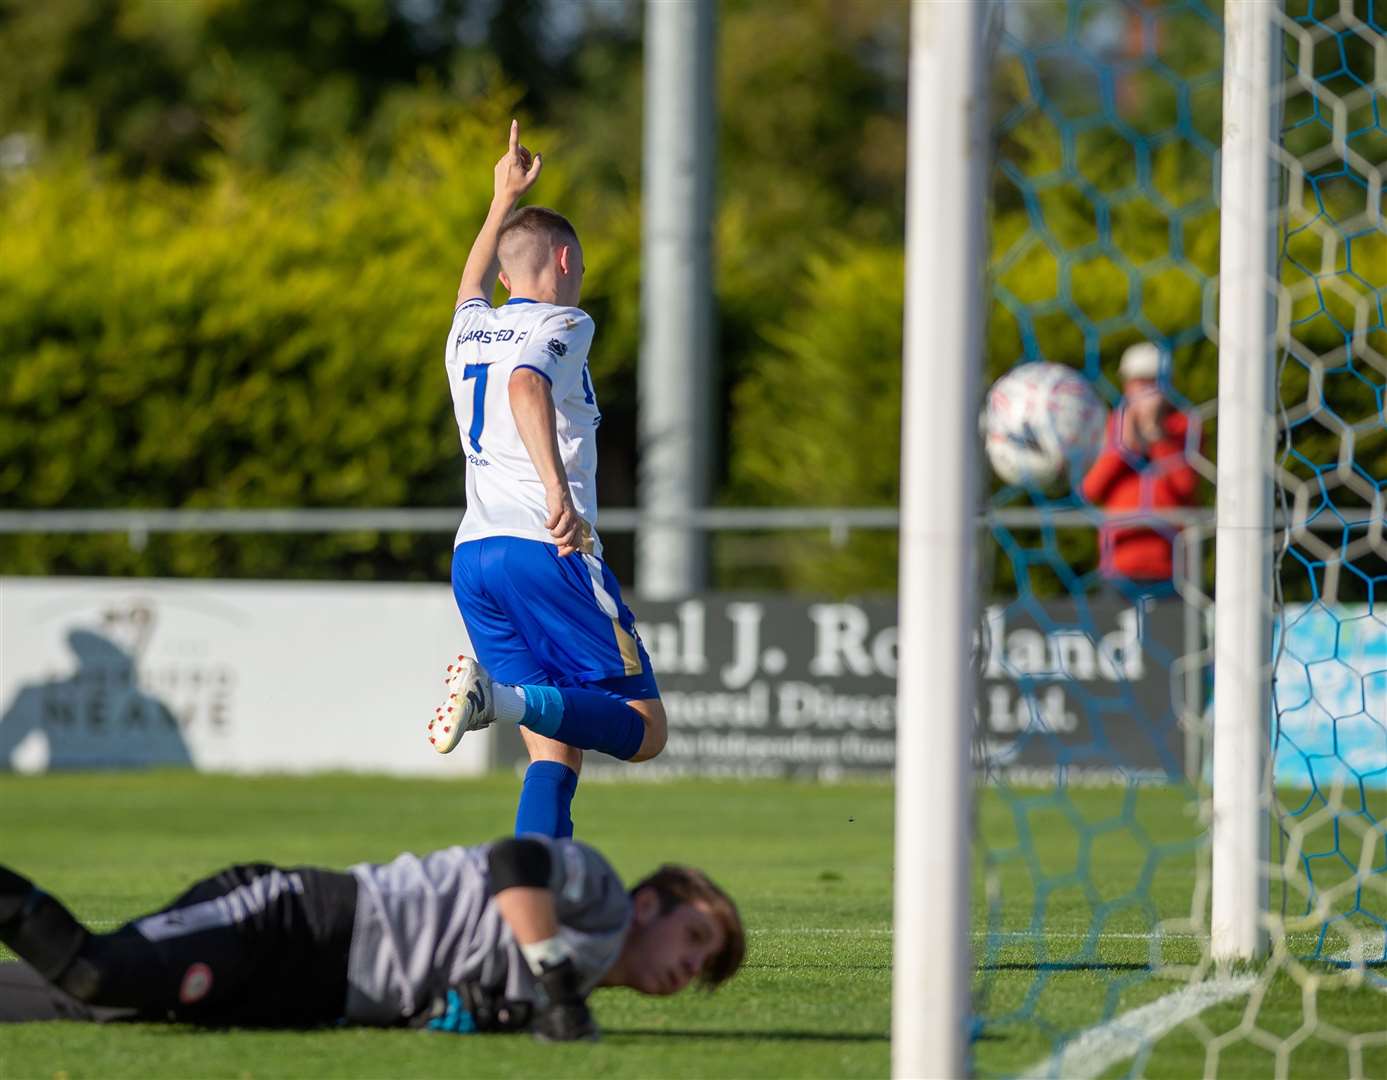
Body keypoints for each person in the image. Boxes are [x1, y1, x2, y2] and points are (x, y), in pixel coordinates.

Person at [430, 119, 667, 841]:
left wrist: (501, 196)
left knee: (552, 747)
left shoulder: (469, 327)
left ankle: (532, 906)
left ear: (506, 276)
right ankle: (493, 702)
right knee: (643, 729)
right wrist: (559, 493)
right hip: (545, 546)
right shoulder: (564, 322)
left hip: (476, 557)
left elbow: (471, 280)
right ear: (565, 260)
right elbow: (527, 387)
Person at [0, 835, 744, 1038]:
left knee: (83, 1005)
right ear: (651, 904)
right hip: (294, 922)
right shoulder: (605, 896)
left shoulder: (569, 990)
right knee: (95, 974)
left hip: (303, 995)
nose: (689, 965)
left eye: (703, 965)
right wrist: (555, 993)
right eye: (695, 936)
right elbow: (513, 862)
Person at [1081, 342, 1200, 600]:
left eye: (1153, 383)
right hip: (1119, 565)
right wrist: (1125, 448)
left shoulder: (1184, 425)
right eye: (1139, 383)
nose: (1146, 392)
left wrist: (1157, 436)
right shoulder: (1115, 424)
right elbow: (1091, 490)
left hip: (1170, 566)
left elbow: (1185, 488)